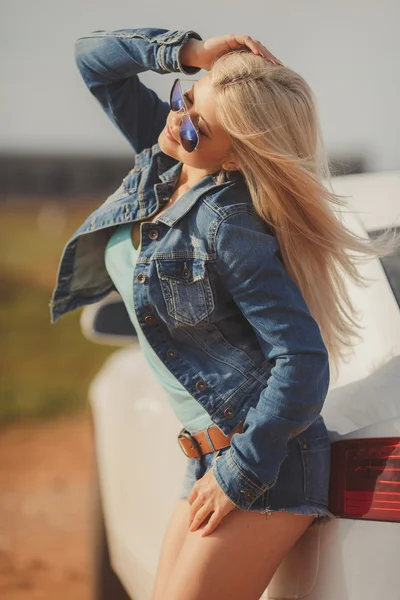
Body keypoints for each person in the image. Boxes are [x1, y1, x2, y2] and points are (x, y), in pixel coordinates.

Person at [50, 27, 399, 600]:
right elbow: (92, 59)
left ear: (238, 155)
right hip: (208, 455)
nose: (176, 120)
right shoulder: (165, 159)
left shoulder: (229, 223)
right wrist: (187, 53)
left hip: (262, 465)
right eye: (183, 97)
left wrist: (239, 474)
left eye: (197, 125)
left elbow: (302, 361)